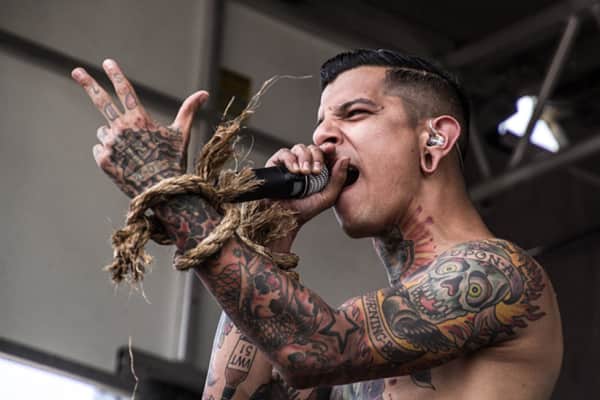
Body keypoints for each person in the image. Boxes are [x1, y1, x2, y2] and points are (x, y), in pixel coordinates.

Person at [72, 49, 563, 399]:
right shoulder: (359, 332)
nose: (323, 137)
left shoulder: (498, 274)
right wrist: (275, 231)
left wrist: (168, 189)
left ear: (435, 139)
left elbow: (313, 350)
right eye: (322, 123)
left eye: (355, 114)